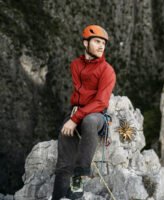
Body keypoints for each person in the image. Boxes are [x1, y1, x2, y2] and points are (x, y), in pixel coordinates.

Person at [51, 25, 116, 200]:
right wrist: (72, 118)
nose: (101, 46)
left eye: (103, 43)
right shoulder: (75, 65)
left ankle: (79, 177)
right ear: (85, 43)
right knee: (64, 161)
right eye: (97, 42)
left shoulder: (107, 71)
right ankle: (57, 196)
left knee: (89, 121)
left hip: (96, 115)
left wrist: (75, 119)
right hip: (76, 112)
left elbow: (101, 101)